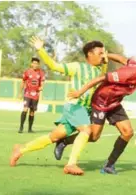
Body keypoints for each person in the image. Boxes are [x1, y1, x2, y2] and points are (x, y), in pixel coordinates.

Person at [10, 36, 108, 175]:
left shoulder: (99, 71)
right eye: (100, 53)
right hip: (75, 107)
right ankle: (71, 164)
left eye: (104, 53)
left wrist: (105, 63)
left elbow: (103, 77)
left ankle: (20, 150)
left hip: (84, 110)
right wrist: (41, 50)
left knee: (54, 137)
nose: (103, 56)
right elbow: (54, 66)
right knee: (86, 131)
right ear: (90, 54)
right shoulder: (77, 67)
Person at [66, 57, 136, 174]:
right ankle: (64, 141)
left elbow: (121, 59)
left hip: (114, 103)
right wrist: (79, 92)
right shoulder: (125, 74)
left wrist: (107, 55)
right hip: (101, 102)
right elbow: (101, 78)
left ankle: (109, 165)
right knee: (94, 137)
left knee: (128, 133)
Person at [18, 57, 45, 133]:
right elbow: (23, 82)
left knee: (32, 111)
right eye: (33, 63)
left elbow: (42, 83)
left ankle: (30, 129)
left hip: (35, 95)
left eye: (36, 63)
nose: (35, 65)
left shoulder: (41, 73)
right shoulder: (27, 72)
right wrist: (20, 93)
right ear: (31, 64)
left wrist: (41, 87)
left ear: (38, 64)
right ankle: (21, 127)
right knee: (25, 109)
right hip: (27, 94)